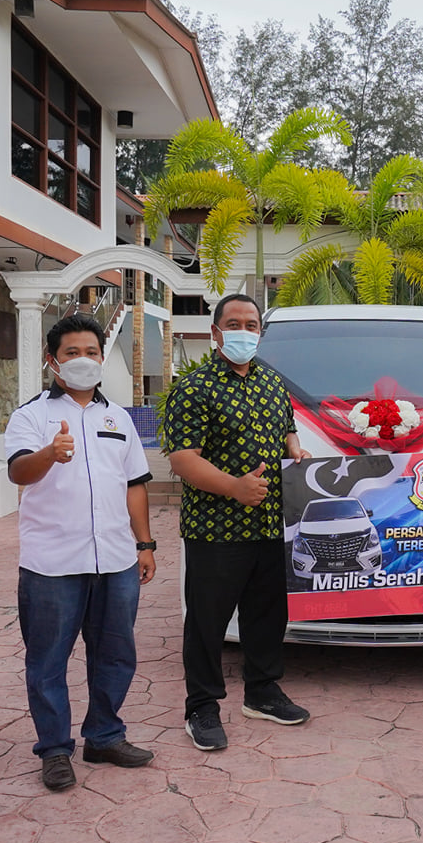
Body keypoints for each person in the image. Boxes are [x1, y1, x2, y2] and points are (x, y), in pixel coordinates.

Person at [4, 314, 160, 790]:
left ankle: (105, 736)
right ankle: (54, 749)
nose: (83, 360)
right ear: (52, 361)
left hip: (116, 559)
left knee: (116, 655)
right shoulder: (31, 416)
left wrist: (144, 543)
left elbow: (134, 484)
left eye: (91, 352)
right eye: (72, 353)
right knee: (47, 661)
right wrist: (49, 454)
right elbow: (18, 473)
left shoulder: (119, 418)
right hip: (52, 564)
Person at [161, 293, 311, 752]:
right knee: (207, 623)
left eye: (251, 325)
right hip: (215, 529)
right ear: (215, 332)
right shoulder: (194, 388)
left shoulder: (272, 382)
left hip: (269, 525)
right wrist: (233, 487)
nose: (243, 332)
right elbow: (182, 459)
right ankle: (202, 707)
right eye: (234, 324)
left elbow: (287, 428)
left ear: (260, 333)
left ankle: (262, 692)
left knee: (266, 616)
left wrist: (295, 448)